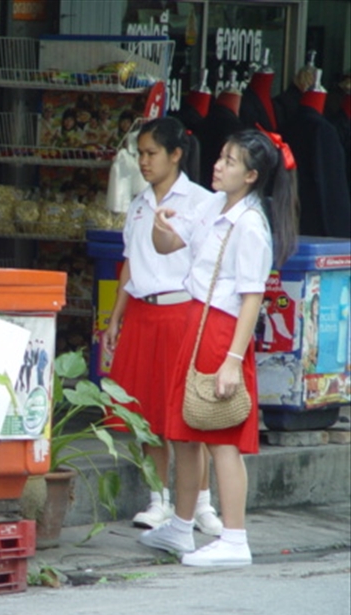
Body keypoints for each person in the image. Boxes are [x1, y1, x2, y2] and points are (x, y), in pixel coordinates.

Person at [140, 128, 298, 567]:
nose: (218, 165)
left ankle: (234, 537)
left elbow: (252, 297)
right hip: (198, 322)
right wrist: (160, 227)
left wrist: (231, 361)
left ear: (250, 176)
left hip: (222, 330)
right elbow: (169, 245)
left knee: (221, 436)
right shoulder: (214, 205)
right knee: (186, 432)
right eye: (221, 156)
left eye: (229, 161)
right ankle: (181, 526)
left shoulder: (250, 225)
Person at [102, 116, 222, 536]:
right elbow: (129, 264)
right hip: (142, 314)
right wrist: (115, 318)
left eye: (152, 153)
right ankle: (158, 500)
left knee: (189, 414)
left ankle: (202, 503)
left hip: (182, 313)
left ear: (175, 154)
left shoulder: (203, 202)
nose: (144, 161)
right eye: (140, 154)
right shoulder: (138, 204)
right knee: (146, 414)